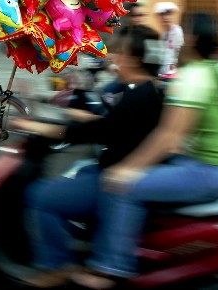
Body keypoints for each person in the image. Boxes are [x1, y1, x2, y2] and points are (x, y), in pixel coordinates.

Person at [70, 13, 218, 289]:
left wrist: (126, 170)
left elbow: (168, 135)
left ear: (193, 39)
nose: (174, 39)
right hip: (214, 163)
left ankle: (111, 267)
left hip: (209, 169)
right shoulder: (210, 69)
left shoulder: (192, 77)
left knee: (120, 186)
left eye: (182, 32)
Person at [13, 25, 165, 288]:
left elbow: (96, 131)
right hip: (112, 168)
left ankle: (57, 265)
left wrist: (38, 127)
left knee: (40, 196)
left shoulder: (137, 96)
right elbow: (114, 124)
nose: (113, 57)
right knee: (77, 173)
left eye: (118, 52)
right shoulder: (146, 89)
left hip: (113, 176)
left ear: (134, 58)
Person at [154, 1, 183, 79]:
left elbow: (180, 52)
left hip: (173, 74)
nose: (165, 18)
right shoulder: (164, 34)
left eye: (168, 14)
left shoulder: (177, 31)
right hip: (162, 74)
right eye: (162, 15)